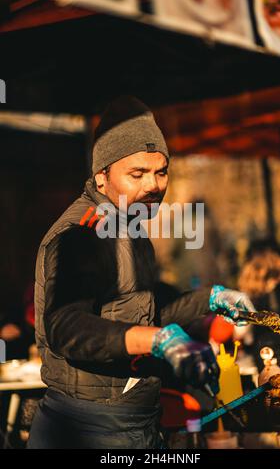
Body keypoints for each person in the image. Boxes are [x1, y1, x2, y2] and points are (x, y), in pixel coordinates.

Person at [28, 96, 255, 449]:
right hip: (88, 430)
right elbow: (66, 326)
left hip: (136, 424)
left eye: (160, 172)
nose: (153, 185)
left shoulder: (129, 225)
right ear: (101, 177)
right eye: (137, 174)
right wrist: (158, 341)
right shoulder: (83, 233)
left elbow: (144, 313)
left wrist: (209, 299)